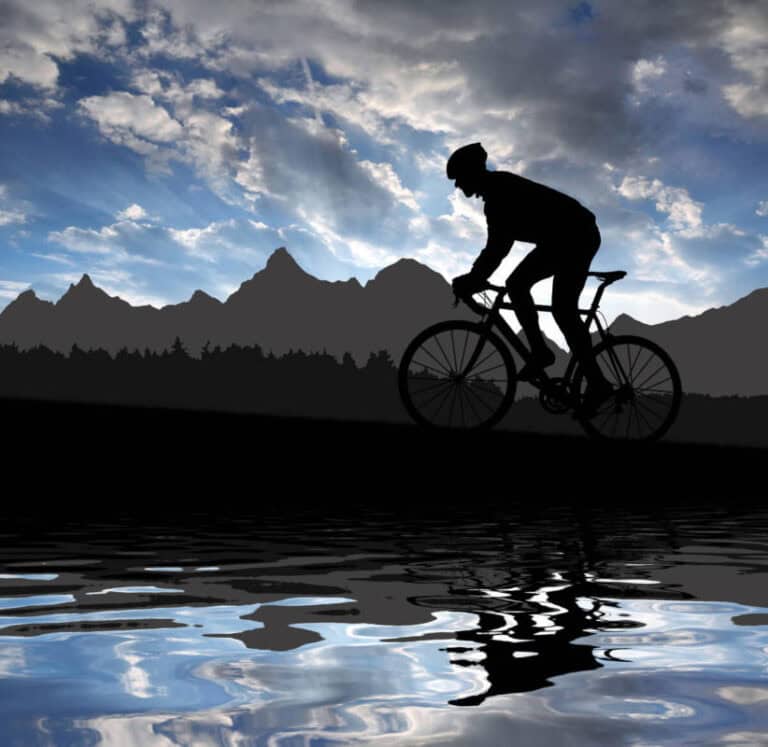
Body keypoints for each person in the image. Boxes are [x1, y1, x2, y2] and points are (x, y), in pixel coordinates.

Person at [448, 142, 612, 417]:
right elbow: (495, 249)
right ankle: (543, 354)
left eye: (459, 179)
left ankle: (593, 382)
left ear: (473, 172)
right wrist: (474, 278)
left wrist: (473, 279)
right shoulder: (495, 194)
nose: (457, 186)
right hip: (562, 237)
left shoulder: (500, 193)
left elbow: (497, 249)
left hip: (575, 236)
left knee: (560, 308)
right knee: (521, 286)